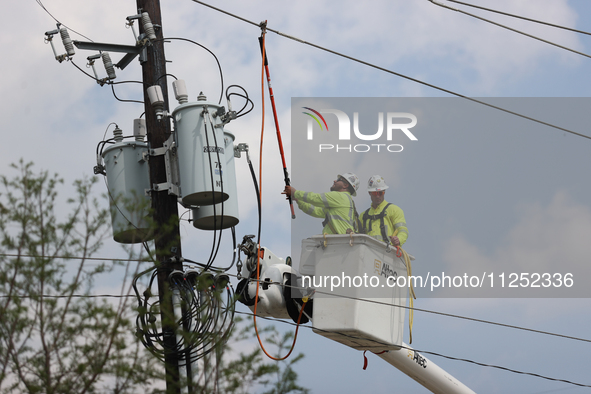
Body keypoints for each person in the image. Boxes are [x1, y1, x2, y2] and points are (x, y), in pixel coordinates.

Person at [282, 172, 360, 234]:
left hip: (338, 242)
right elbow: (316, 211)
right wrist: (298, 200)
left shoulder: (340, 196)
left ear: (345, 185)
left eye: (339, 179)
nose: (335, 181)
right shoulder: (342, 201)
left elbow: (316, 198)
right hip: (338, 243)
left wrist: (295, 193)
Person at [360, 175, 408, 246]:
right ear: (369, 192)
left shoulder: (394, 210)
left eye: (380, 193)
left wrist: (399, 239)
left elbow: (402, 230)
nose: (377, 196)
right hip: (368, 253)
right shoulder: (363, 216)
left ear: (384, 192)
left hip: (387, 253)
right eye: (375, 193)